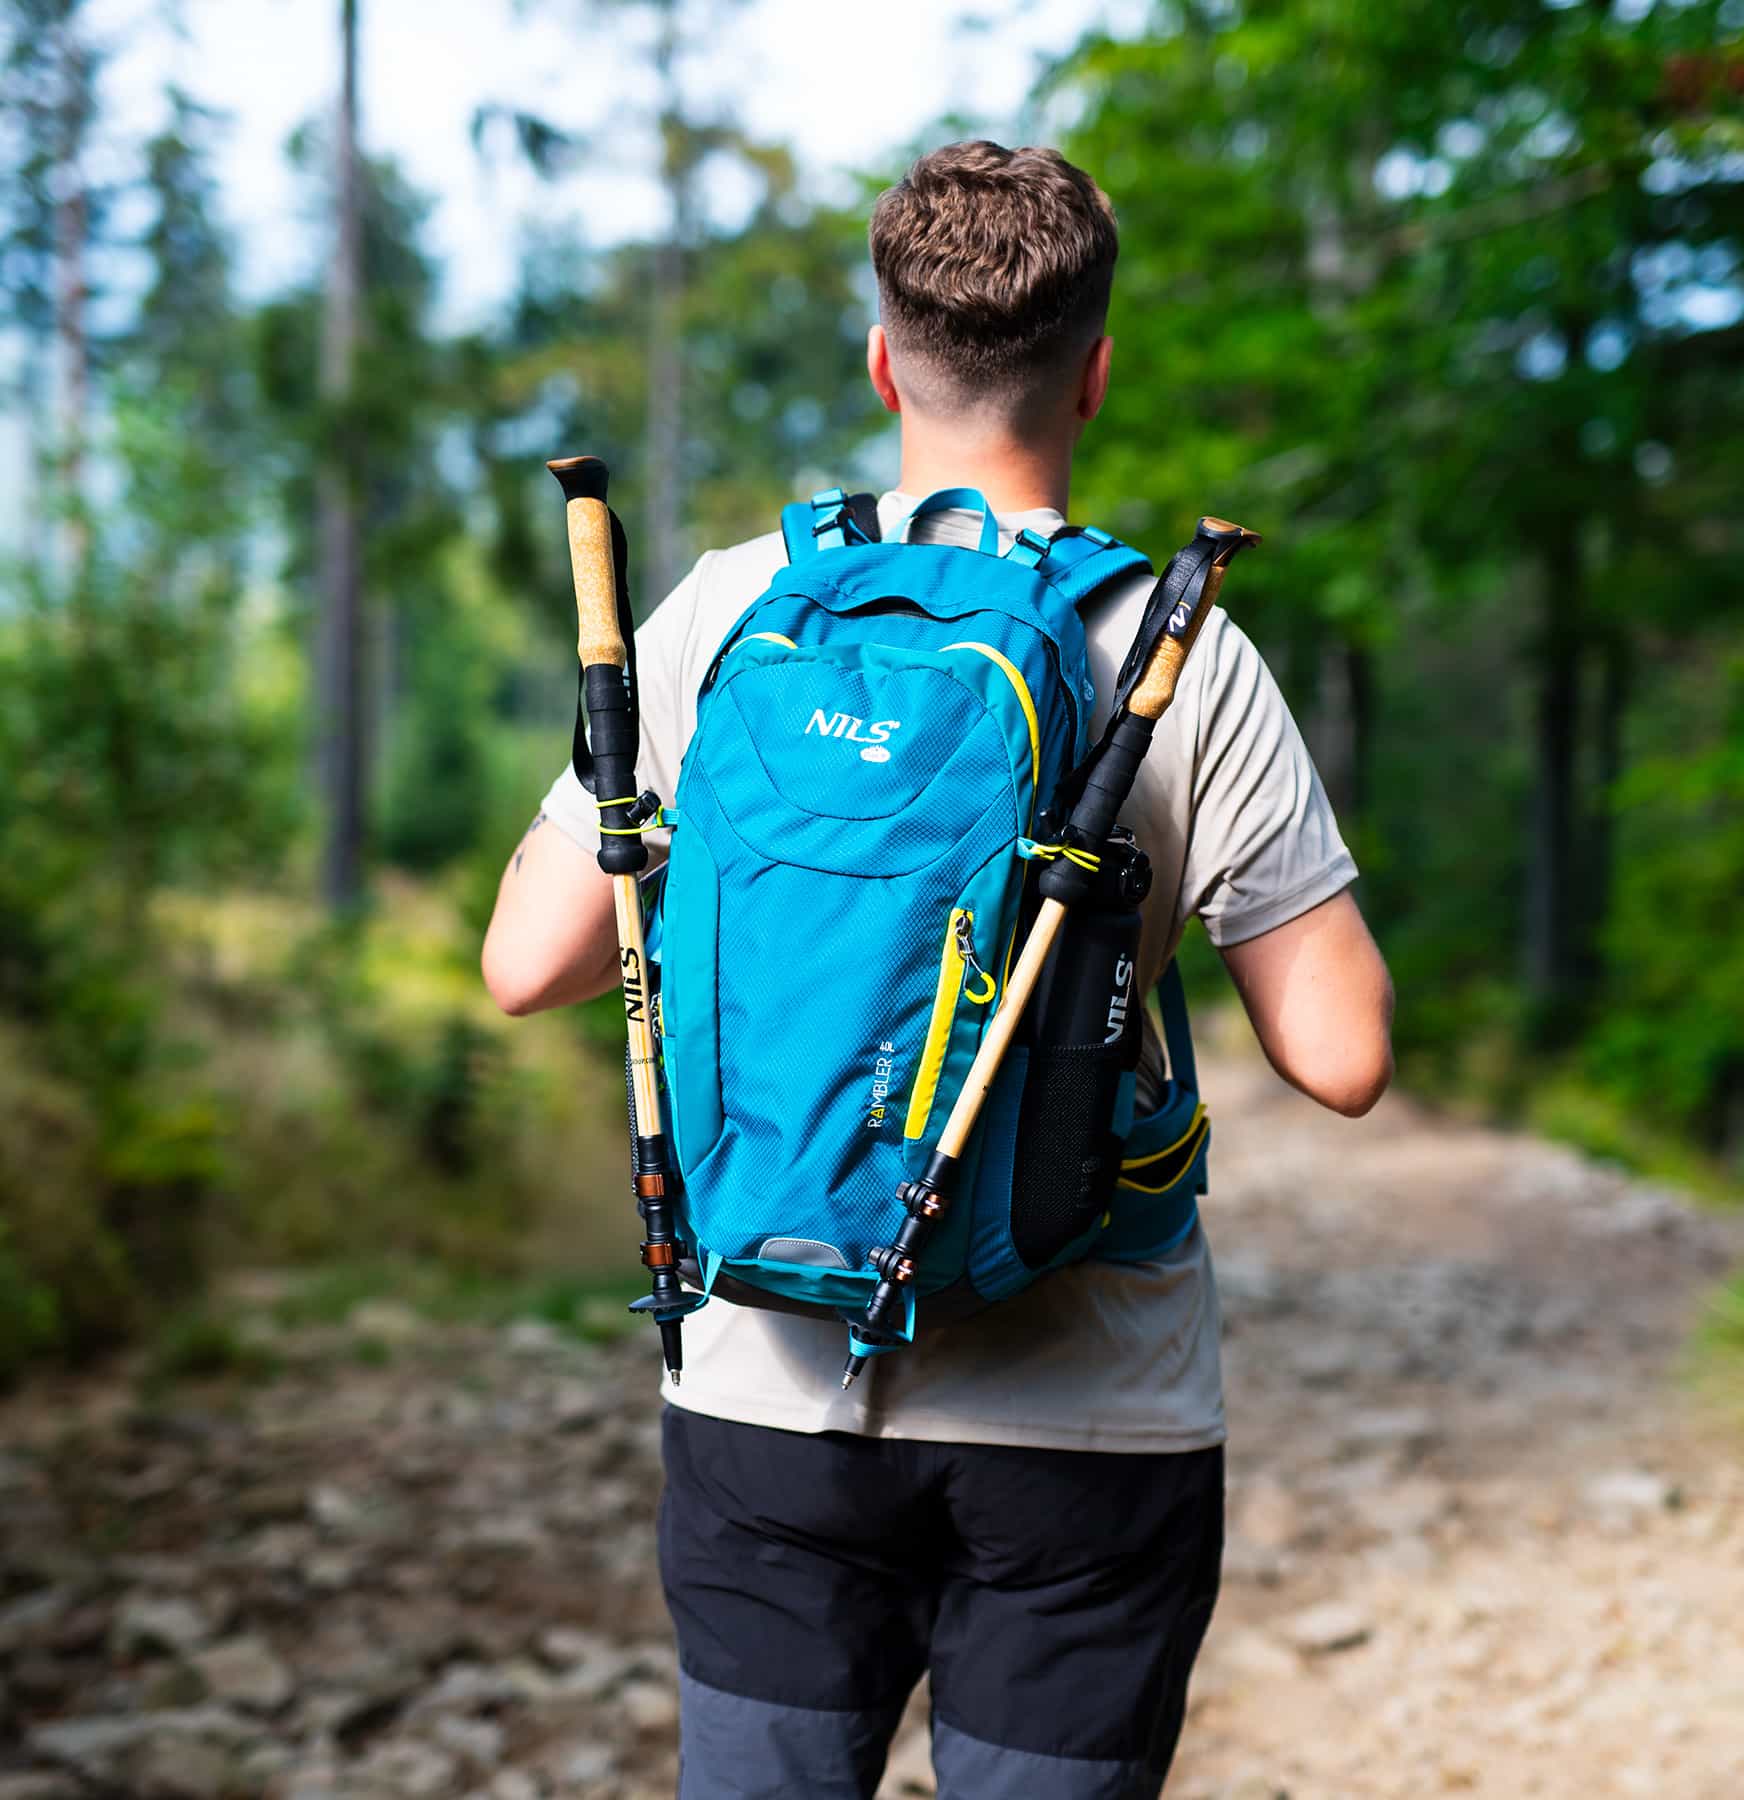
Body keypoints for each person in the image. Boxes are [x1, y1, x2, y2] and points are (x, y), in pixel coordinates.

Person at [482, 140, 1394, 1800]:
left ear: (885, 358)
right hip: (1088, 1411)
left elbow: (525, 960)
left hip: (760, 1376)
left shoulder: (721, 613)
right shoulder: (1178, 645)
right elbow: (1339, 1057)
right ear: (1095, 371)